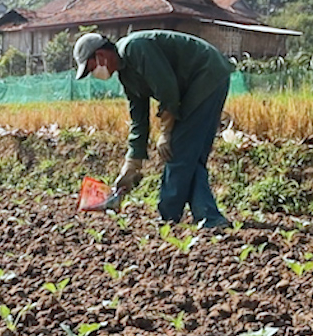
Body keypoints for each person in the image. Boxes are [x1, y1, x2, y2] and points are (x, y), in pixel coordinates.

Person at [73, 30, 233, 228]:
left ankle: (169, 216)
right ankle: (209, 217)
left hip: (205, 74)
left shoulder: (136, 48)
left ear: (101, 56)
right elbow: (138, 120)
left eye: (91, 69)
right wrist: (132, 164)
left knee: (178, 150)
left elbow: (167, 89)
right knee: (190, 156)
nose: (94, 75)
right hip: (197, 82)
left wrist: (166, 132)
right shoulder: (127, 76)